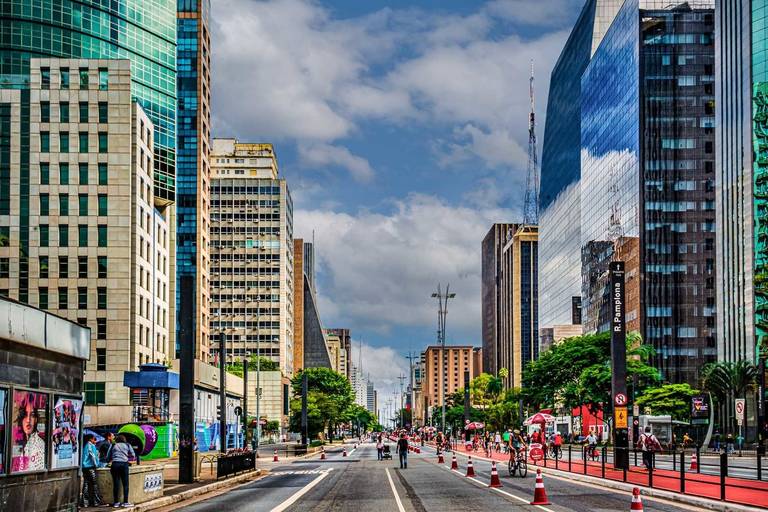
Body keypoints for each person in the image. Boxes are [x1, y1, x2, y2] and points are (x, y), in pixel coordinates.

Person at [13, 393, 46, 471]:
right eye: (25, 415)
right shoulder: (20, 441)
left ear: (36, 420)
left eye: (32, 415)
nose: (28, 420)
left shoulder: (39, 446)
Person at [110, 434, 136, 507]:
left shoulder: (113, 445)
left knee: (116, 484)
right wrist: (128, 457)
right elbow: (133, 455)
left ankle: (116, 503)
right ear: (124, 439)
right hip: (124, 464)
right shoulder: (127, 445)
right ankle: (125, 502)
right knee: (125, 484)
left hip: (115, 464)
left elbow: (108, 455)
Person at [81, 434, 103, 507]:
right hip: (90, 467)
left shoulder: (84, 445)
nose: (95, 441)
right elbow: (93, 456)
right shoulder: (91, 446)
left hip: (84, 467)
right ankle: (95, 502)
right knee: (94, 485)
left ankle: (85, 502)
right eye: (94, 439)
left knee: (86, 484)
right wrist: (97, 465)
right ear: (90, 439)